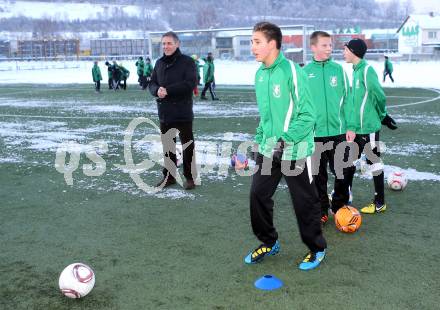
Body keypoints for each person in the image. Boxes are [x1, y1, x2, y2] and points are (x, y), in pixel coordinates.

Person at [244, 22, 327, 271]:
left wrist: (286, 139)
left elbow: (308, 115)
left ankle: (317, 248)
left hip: (295, 150)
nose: (253, 47)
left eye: (257, 41)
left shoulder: (292, 71)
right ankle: (269, 242)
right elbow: (266, 117)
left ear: (272, 44)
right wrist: (260, 141)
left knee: (305, 203)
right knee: (257, 195)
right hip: (269, 149)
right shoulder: (260, 74)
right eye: (252, 41)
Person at [343, 38, 397, 214]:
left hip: (368, 128)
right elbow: (354, 103)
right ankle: (344, 196)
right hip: (357, 129)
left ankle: (379, 202)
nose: (343, 52)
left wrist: (383, 115)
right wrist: (350, 126)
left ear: (353, 51)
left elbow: (378, 95)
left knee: (373, 162)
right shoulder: (355, 71)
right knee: (348, 162)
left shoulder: (367, 70)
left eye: (345, 49)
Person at [303, 31, 351, 224]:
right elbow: (301, 105)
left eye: (330, 45)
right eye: (324, 45)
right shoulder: (305, 73)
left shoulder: (338, 70)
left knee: (344, 170)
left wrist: (351, 126)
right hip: (314, 134)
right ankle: (322, 208)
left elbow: (349, 100)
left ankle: (339, 207)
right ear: (313, 47)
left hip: (339, 131)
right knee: (317, 175)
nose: (329, 48)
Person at [149, 31, 198, 190]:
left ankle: (189, 177)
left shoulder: (187, 62)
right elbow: (152, 83)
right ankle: (169, 177)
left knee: (187, 146)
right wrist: (157, 90)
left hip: (182, 112)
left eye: (169, 43)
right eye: (164, 43)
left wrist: (168, 90)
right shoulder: (159, 63)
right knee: (168, 147)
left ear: (177, 44)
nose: (166, 46)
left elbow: (190, 83)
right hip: (165, 112)